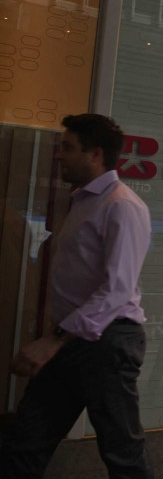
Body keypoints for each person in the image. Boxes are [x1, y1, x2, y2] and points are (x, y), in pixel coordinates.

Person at [1, 114, 154, 478]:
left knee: (123, 456)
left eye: (67, 148)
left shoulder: (122, 205)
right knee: (25, 443)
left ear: (95, 154)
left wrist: (51, 341)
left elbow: (116, 290)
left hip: (107, 341)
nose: (58, 155)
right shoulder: (83, 201)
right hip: (72, 338)